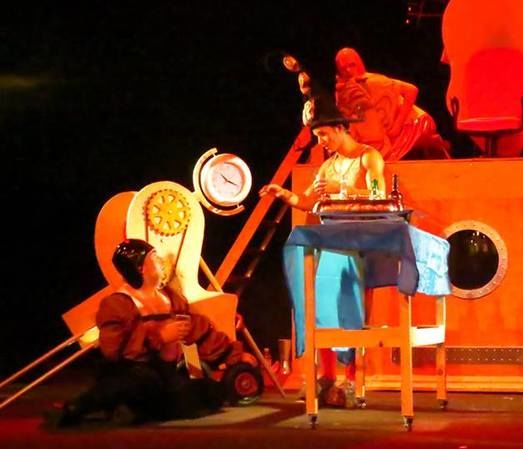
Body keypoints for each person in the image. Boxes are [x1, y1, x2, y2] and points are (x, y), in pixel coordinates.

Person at [259, 100, 386, 407]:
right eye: (318, 137)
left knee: (352, 311)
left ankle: (352, 380)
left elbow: (379, 194)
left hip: (358, 243)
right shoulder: (328, 166)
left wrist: (342, 189)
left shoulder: (367, 156)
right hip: (330, 243)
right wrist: (284, 194)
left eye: (325, 135)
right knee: (323, 307)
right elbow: (309, 201)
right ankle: (326, 377)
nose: (322, 142)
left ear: (341, 128)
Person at [53, 239, 253, 426]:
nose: (161, 263)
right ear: (140, 268)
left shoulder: (170, 298)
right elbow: (112, 350)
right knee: (141, 382)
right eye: (155, 258)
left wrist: (234, 354)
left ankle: (137, 410)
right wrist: (159, 336)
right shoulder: (118, 304)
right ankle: (80, 406)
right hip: (132, 371)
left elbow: (200, 330)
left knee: (206, 391)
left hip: (166, 373)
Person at [334, 47, 450, 161]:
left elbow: (412, 90)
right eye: (343, 68)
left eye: (352, 65)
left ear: (359, 64)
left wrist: (398, 124)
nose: (348, 70)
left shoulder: (375, 81)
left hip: (413, 123)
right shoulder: (345, 92)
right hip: (381, 134)